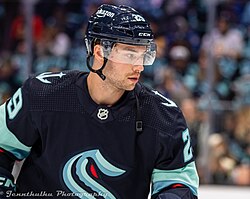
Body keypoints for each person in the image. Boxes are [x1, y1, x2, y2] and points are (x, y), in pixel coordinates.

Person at [0, 4, 199, 199]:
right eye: (130, 54)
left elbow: (178, 183)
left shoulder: (163, 116)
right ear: (99, 51)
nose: (139, 66)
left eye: (143, 54)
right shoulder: (42, 94)